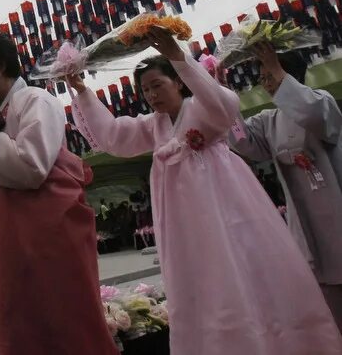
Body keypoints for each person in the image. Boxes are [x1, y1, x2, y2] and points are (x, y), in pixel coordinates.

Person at [68, 27, 342, 355]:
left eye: (158, 85)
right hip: (186, 228)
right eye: (146, 91)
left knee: (241, 272)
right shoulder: (152, 125)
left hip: (226, 211)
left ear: (180, 82)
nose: (152, 95)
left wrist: (178, 57)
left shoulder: (203, 108)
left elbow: (226, 104)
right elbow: (113, 136)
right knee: (205, 286)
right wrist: (82, 90)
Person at [0, 26, 117, 355]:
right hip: (9, 236)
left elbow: (32, 168)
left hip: (48, 235)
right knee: (18, 321)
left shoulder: (37, 100)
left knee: (65, 319)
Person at [230, 41, 342, 330]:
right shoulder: (269, 121)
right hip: (305, 222)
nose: (264, 83)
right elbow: (243, 140)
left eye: (268, 75)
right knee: (328, 307)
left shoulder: (322, 102)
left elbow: (312, 114)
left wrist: (277, 70)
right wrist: (223, 100)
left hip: (336, 213)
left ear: (287, 75)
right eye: (264, 77)